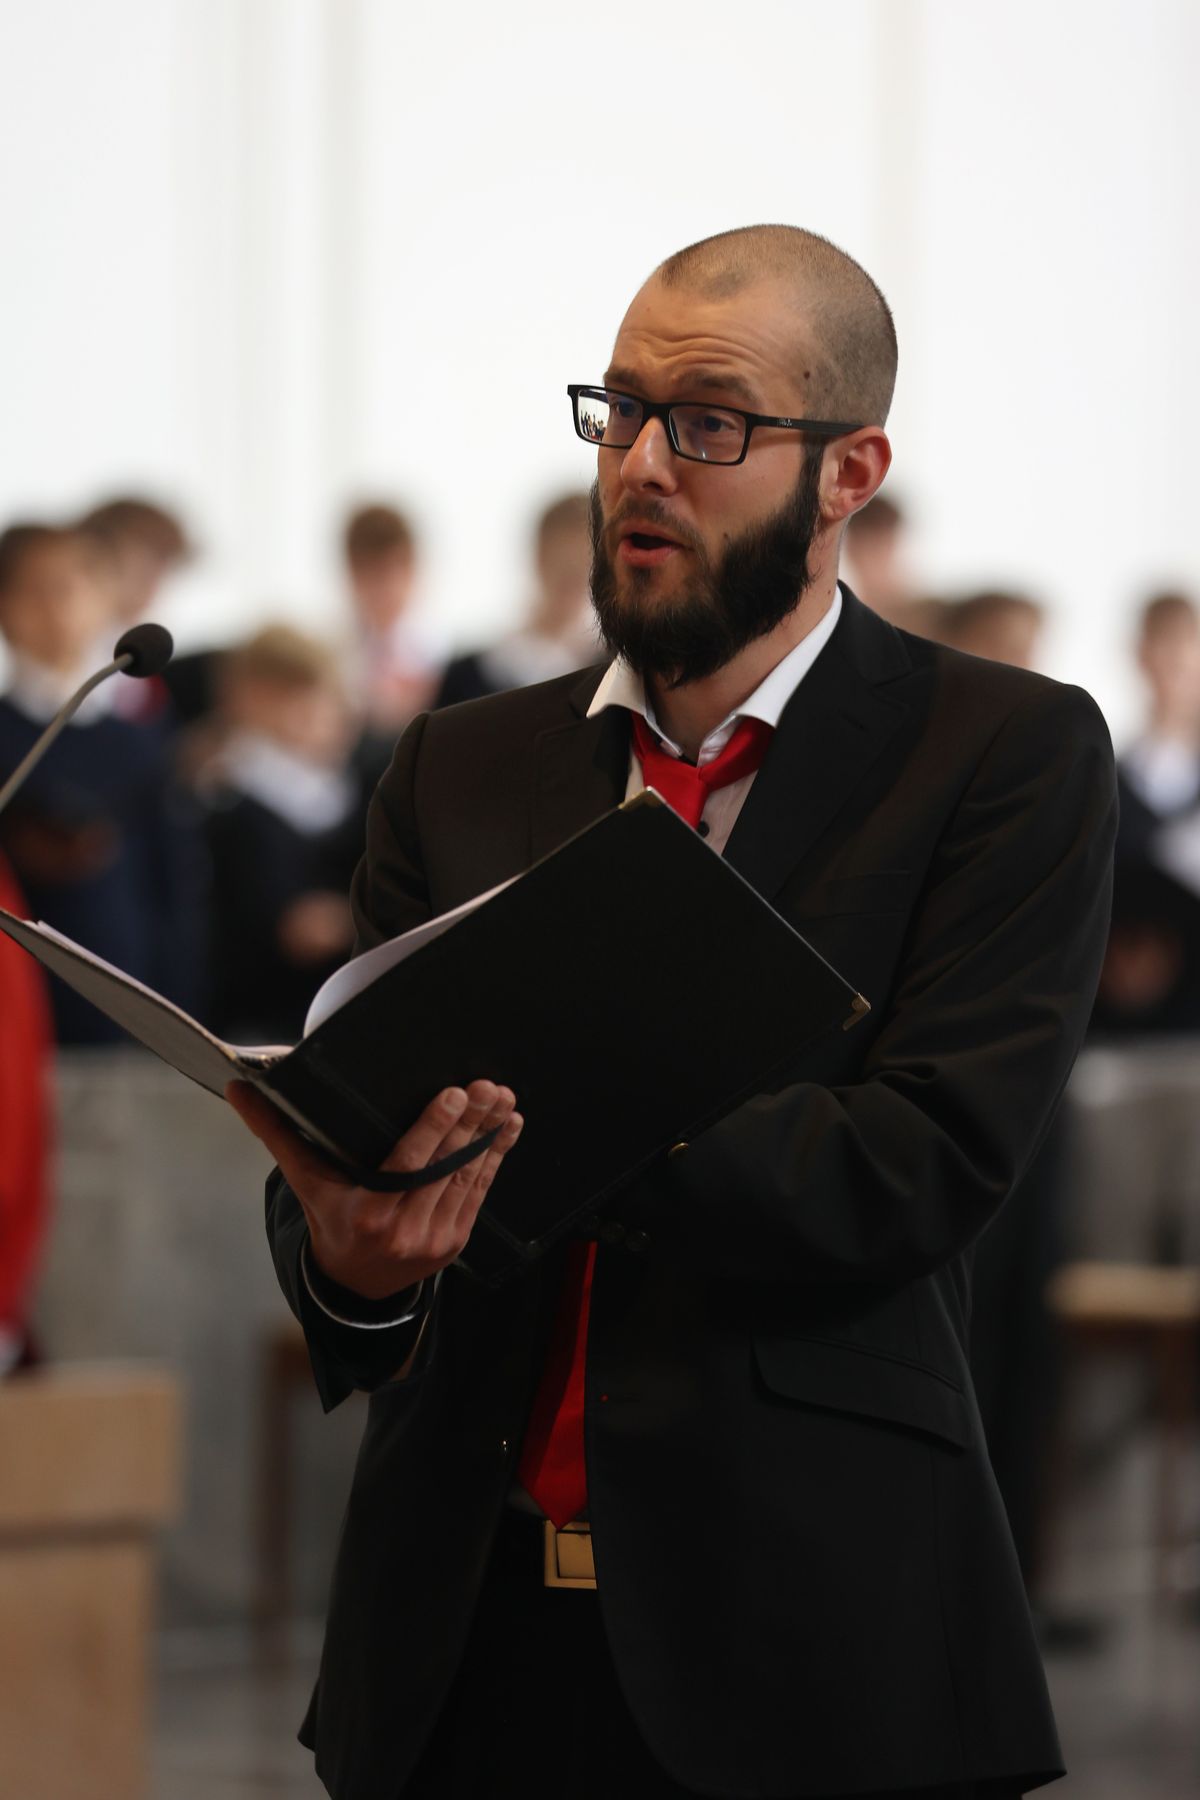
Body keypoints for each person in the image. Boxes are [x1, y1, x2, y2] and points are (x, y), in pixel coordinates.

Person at [230, 224, 1117, 1800]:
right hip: (457, 1648)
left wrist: (545, 1112)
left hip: (812, 1638)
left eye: (709, 421)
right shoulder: (464, 763)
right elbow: (361, 1159)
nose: (642, 462)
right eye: (621, 409)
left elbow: (917, 1161)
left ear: (850, 472)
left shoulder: (1000, 753)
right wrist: (358, 1266)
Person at [0, 523, 206, 1044]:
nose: (55, 607)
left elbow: (173, 882)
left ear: (102, 599)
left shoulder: (141, 739)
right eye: (34, 589)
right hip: (17, 1009)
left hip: (129, 999)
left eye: (70, 587)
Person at [200, 625, 362, 1042]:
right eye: (305, 701)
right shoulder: (226, 800)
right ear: (251, 700)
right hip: (263, 1021)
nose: (327, 716)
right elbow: (289, 929)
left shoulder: (349, 792)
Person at [434, 491, 601, 706]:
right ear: (539, 558)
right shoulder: (472, 675)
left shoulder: (613, 671)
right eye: (565, 568)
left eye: (586, 566)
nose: (574, 582)